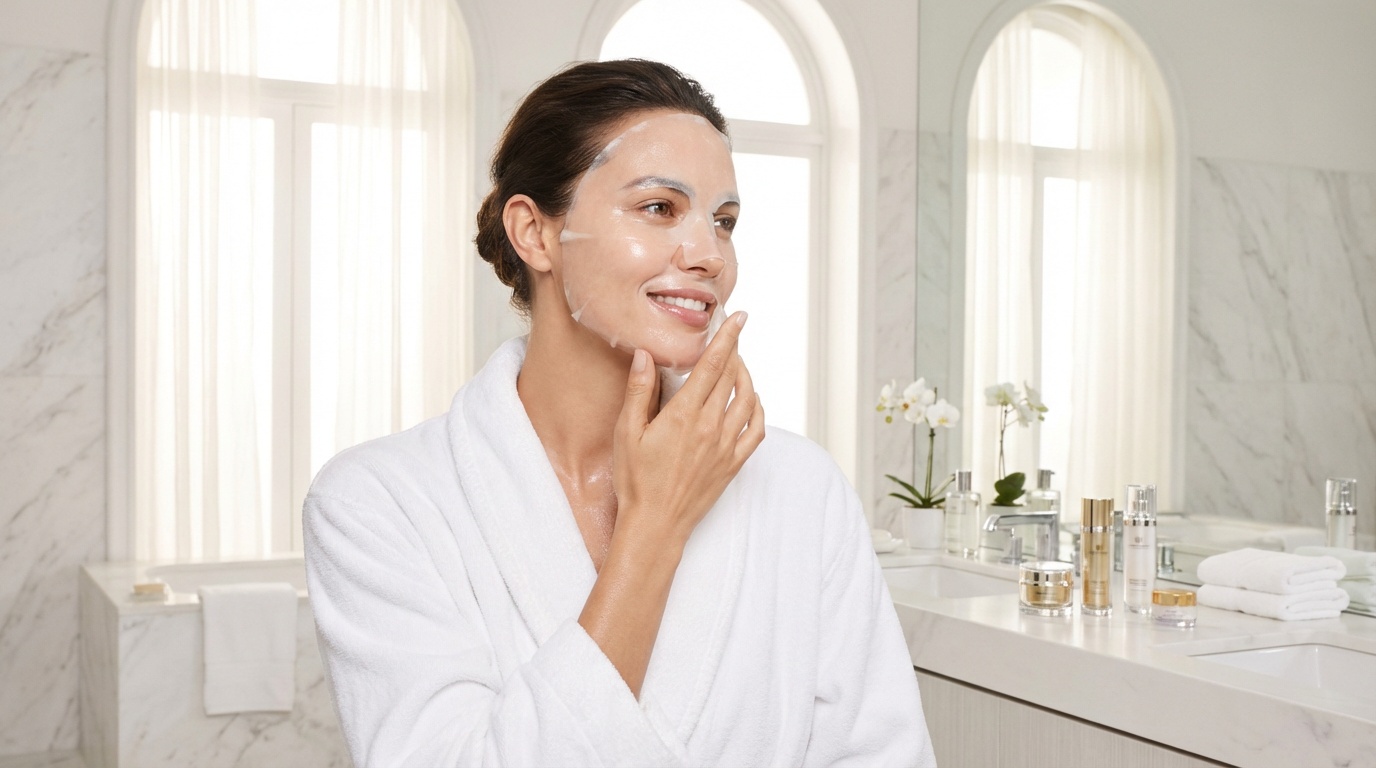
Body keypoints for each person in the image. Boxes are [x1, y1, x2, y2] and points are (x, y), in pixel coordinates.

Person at [304, 58, 936, 767]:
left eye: (724, 222)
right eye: (659, 208)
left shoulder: (801, 488)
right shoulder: (380, 502)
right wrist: (653, 529)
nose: (709, 256)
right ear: (535, 234)